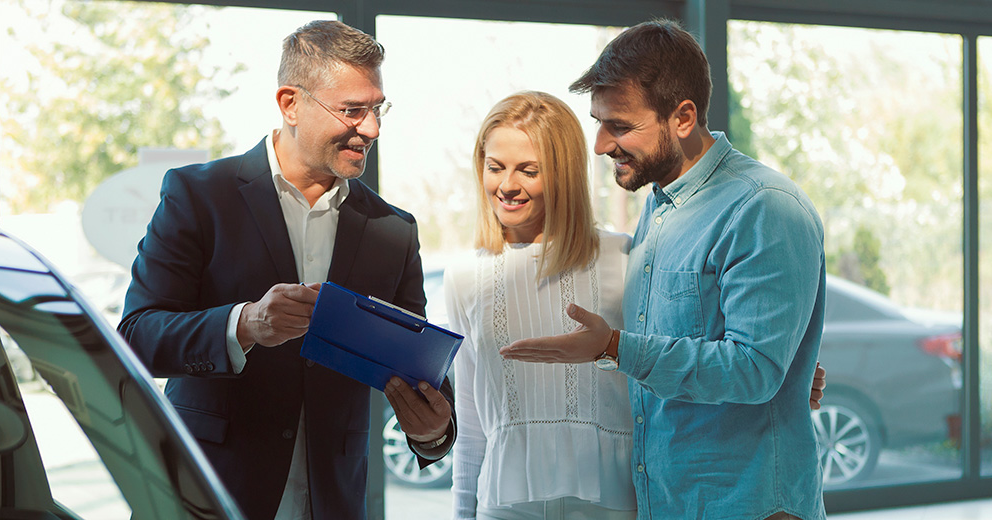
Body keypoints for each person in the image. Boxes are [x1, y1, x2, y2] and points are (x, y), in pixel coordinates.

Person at [118, 20, 455, 520]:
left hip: (333, 503)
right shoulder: (198, 197)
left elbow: (418, 368)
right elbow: (137, 337)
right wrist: (246, 323)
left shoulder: (393, 230)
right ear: (290, 103)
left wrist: (433, 433)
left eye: (377, 109)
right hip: (208, 497)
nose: (372, 129)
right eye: (352, 110)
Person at [499, 19, 827, 520]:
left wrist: (614, 347)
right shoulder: (659, 206)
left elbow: (755, 371)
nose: (600, 145)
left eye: (620, 126)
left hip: (749, 506)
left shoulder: (764, 207)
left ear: (683, 117)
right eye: (599, 122)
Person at [447, 91, 637, 520]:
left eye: (528, 170)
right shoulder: (464, 276)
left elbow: (657, 384)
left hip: (611, 504)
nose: (507, 185)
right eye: (495, 167)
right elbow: (471, 418)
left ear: (564, 174)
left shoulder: (623, 257)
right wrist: (462, 512)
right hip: (503, 507)